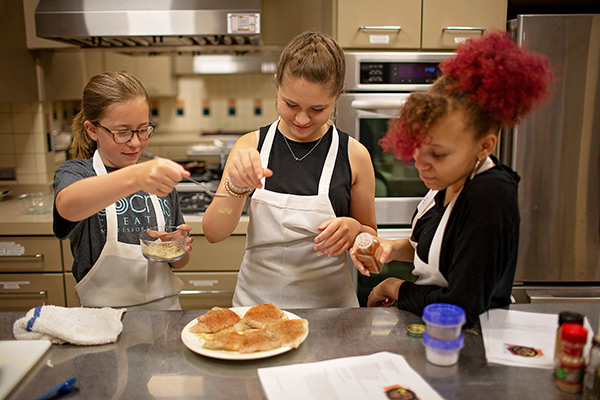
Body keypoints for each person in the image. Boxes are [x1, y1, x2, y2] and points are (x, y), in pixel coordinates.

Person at [350, 31, 553, 325]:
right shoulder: (446, 181)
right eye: (418, 146)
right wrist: (391, 248)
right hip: (433, 329)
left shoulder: (490, 194)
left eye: (438, 154)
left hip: (471, 341)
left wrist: (395, 287)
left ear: (484, 146)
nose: (421, 162)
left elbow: (462, 305)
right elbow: (436, 251)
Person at [202, 31, 377, 308]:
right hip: (256, 308)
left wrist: (356, 229)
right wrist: (235, 186)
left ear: (338, 95)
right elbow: (214, 233)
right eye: (291, 104)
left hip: (331, 313)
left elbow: (371, 241)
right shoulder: (250, 146)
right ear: (276, 86)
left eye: (318, 109)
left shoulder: (354, 155)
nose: (303, 118)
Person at [53, 71, 194, 310]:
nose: (136, 142)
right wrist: (136, 176)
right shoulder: (77, 172)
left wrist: (176, 247)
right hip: (101, 320)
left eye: (143, 129)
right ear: (92, 130)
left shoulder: (157, 181)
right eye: (122, 132)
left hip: (164, 316)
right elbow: (68, 207)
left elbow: (179, 263)